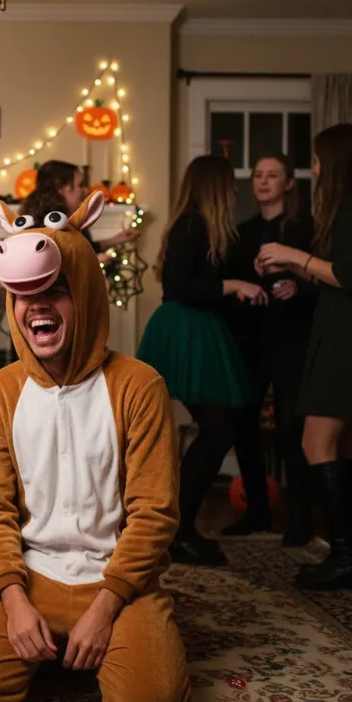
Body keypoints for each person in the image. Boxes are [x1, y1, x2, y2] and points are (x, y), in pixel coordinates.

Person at [0, 192, 191, 702]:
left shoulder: (139, 386)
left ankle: (96, 647)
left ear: (86, 295)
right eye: (25, 296)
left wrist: (105, 609)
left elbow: (156, 513)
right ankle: (54, 649)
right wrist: (11, 597)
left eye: (55, 291)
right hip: (31, 579)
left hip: (120, 585)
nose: (38, 307)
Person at [257, 123, 352, 591]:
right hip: (345, 333)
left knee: (316, 443)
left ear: (337, 160)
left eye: (320, 159)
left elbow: (350, 276)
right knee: (344, 446)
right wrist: (295, 267)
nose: (316, 168)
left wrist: (293, 254)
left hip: (346, 339)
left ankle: (349, 557)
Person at [137, 155, 267, 567]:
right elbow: (179, 287)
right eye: (229, 184)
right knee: (218, 428)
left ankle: (180, 528)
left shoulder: (202, 226)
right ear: (214, 186)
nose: (234, 191)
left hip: (198, 332)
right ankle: (178, 531)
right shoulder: (191, 224)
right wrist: (235, 284)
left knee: (218, 428)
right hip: (187, 332)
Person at [222, 155, 315, 545]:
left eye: (273, 175)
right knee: (244, 424)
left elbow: (329, 279)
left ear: (289, 183)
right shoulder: (240, 233)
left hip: (295, 340)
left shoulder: (305, 228)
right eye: (258, 175)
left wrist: (300, 287)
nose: (263, 181)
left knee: (294, 429)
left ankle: (301, 519)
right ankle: (257, 511)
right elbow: (227, 286)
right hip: (250, 341)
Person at [20, 160, 139, 262]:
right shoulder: (50, 223)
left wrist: (118, 239)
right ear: (63, 188)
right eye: (80, 185)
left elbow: (87, 247)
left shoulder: (73, 219)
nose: (86, 191)